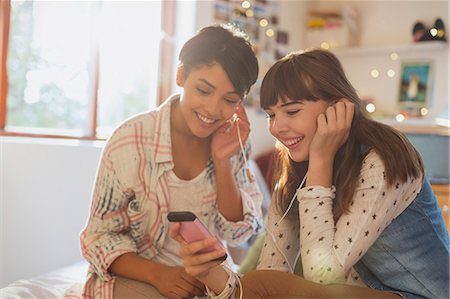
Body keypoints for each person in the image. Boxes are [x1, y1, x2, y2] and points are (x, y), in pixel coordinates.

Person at [170, 49, 449, 299]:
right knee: (264, 283)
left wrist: (322, 158)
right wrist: (211, 274)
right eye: (271, 115)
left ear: (338, 108)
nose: (277, 128)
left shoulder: (381, 159)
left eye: (291, 111)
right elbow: (271, 272)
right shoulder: (294, 174)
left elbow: (322, 275)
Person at [79, 24, 263, 299]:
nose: (213, 110)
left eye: (229, 100)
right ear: (180, 75)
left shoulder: (234, 140)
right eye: (203, 90)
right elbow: (98, 238)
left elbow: (239, 233)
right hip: (140, 276)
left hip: (207, 280)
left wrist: (223, 160)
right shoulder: (130, 140)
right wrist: (158, 275)